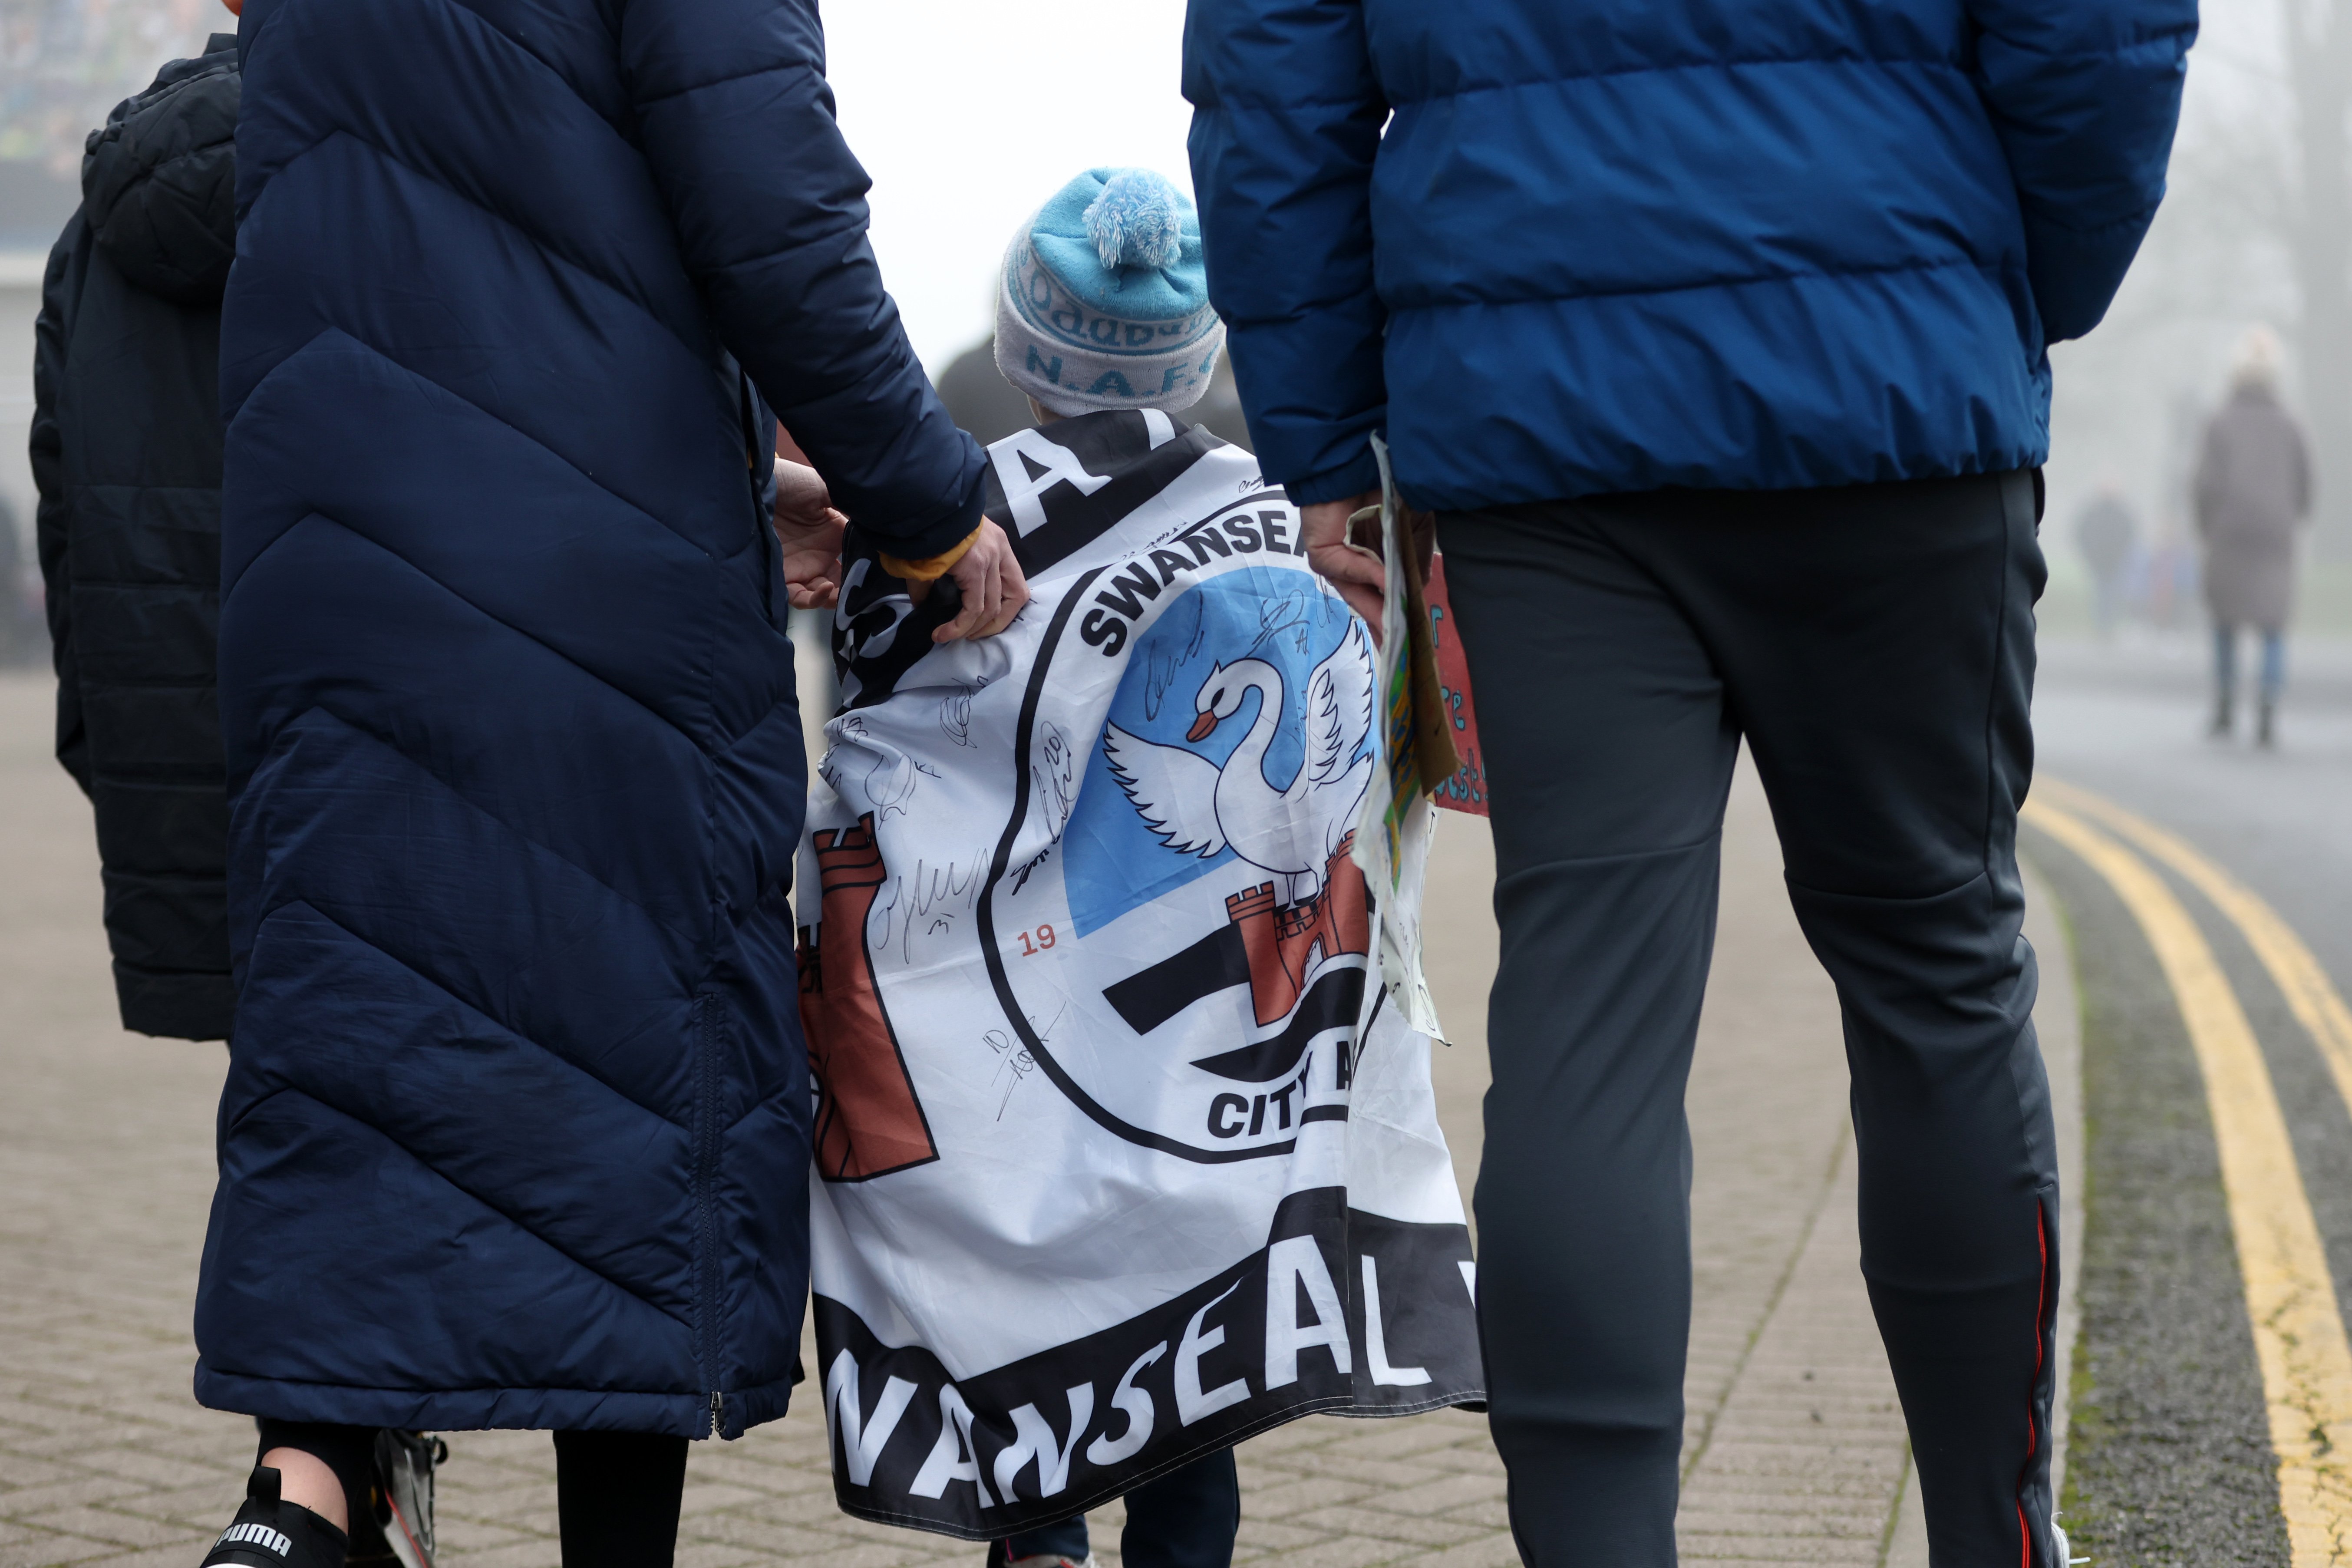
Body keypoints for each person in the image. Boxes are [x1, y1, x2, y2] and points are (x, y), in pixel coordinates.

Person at [1184, 0, 2193, 1563]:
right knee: (1937, 969)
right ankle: (1994, 1541)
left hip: (1537, 410)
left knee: (1583, 1006)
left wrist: (1322, 440)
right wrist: (1984, 271)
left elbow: (1273, 68)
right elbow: (2102, 31)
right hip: (1891, 374)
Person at [191, 0, 1025, 1558]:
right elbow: (772, 217)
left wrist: (732, 477)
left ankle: (299, 1502)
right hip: (594, 591)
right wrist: (927, 498)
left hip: (333, 551)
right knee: (633, 1091)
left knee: (360, 1029)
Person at [31, 26, 239, 1046]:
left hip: (196, 821)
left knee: (291, 1144)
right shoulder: (430, 186)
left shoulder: (93, 227)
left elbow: (67, 540)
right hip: (438, 830)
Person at [2194, 325, 2312, 748]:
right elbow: (2304, 485)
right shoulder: (2289, 425)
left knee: (2224, 620)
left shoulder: (2220, 422)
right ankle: (2266, 704)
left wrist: (2205, 526)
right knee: (2272, 625)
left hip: (2229, 530)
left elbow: (2205, 484)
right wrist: (2290, 518)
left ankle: (2225, 705)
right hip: (2275, 534)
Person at [2073, 481, 2139, 638]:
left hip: (2115, 562)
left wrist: (2123, 556)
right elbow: (2082, 534)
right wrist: (2089, 555)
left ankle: (2109, 628)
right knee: (2100, 595)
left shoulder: (2121, 513)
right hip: (2098, 562)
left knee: (2112, 595)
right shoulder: (2092, 512)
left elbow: (2130, 535)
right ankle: (2101, 628)